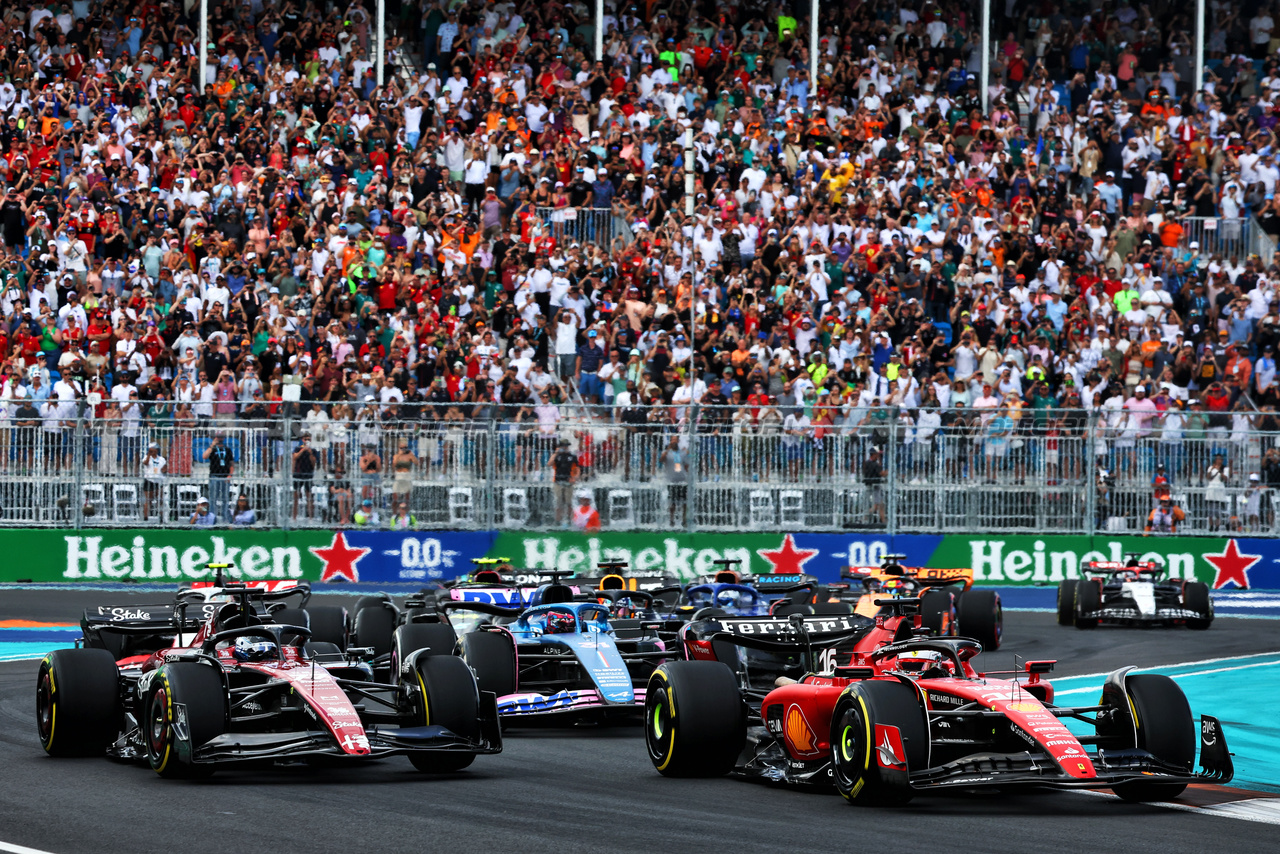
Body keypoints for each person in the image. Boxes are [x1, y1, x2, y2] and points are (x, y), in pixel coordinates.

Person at [203, 434, 234, 522]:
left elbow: (231, 464)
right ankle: (213, 518)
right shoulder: (212, 449)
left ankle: (225, 519)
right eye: (218, 437)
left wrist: (230, 475)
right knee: (213, 498)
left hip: (225, 477)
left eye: (221, 437)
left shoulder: (227, 449)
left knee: (225, 499)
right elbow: (204, 456)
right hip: (214, 476)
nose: (219, 439)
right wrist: (212, 445)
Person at [550, 439, 579, 526]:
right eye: (563, 446)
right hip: (558, 481)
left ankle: (570, 520)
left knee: (569, 502)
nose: (564, 447)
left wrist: (575, 477)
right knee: (559, 502)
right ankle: (558, 521)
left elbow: (577, 468)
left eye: (566, 446)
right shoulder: (557, 456)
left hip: (568, 482)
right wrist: (555, 453)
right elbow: (549, 463)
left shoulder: (572, 456)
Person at [292, 433, 320, 519]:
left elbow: (314, 463)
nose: (307, 441)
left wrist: (310, 453)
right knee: (296, 496)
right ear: (302, 440)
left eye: (308, 439)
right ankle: (294, 517)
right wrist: (303, 450)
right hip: (298, 474)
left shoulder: (314, 450)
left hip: (308, 474)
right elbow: (295, 457)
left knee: (309, 496)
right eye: (305, 439)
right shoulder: (297, 448)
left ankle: (311, 517)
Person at [863, 447, 886, 525]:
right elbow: (882, 473)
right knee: (879, 505)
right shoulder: (875, 464)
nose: (879, 457)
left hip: (868, 485)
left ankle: (865, 517)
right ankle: (865, 517)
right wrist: (888, 472)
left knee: (878, 505)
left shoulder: (866, 463)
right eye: (878, 455)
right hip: (875, 486)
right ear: (874, 454)